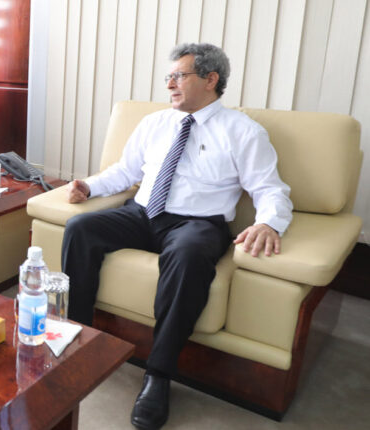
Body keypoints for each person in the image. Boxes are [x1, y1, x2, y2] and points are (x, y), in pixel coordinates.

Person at [61, 43, 293, 430]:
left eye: (178, 76)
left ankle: (158, 374)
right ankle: (79, 336)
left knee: (187, 257)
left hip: (196, 225)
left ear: (210, 79)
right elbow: (125, 171)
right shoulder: (155, 122)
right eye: (168, 76)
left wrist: (268, 223)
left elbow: (270, 189)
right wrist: (89, 186)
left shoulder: (243, 132)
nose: (169, 84)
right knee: (81, 228)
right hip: (142, 214)